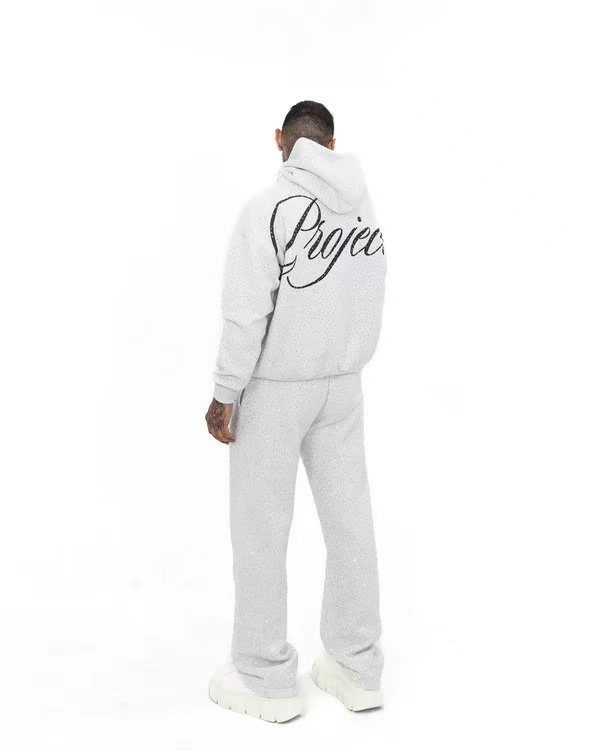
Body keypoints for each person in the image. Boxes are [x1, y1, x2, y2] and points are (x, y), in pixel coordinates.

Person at [205, 100, 387, 722]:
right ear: (331, 146)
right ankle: (357, 667)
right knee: (350, 521)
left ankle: (265, 677)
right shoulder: (362, 209)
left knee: (261, 527)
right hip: (344, 387)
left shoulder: (266, 211)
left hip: (277, 388)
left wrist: (225, 391)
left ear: (279, 138)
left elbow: (245, 310)